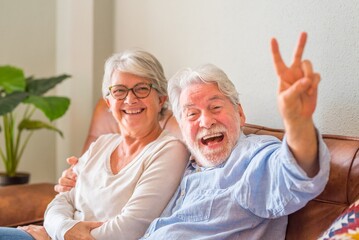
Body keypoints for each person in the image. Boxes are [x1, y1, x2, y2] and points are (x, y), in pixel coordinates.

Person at [55, 32, 330, 239]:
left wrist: (298, 122)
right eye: (192, 114)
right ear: (181, 127)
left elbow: (295, 175)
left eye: (215, 107)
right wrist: (74, 189)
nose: (206, 120)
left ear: (240, 114)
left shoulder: (251, 159)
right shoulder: (183, 169)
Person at [0, 49, 189, 240]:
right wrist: (63, 230)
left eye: (142, 89)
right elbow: (61, 201)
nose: (130, 99)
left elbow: (131, 227)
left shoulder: (170, 151)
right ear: (109, 102)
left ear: (161, 99)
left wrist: (61, 236)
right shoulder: (101, 144)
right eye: (119, 91)